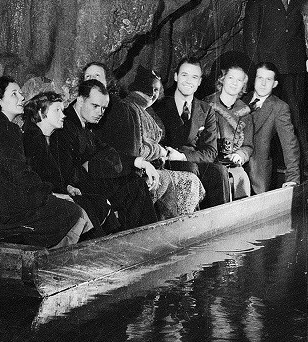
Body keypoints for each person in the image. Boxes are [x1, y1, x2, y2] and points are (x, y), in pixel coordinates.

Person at [0, 77, 90, 248]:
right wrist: (50, 194)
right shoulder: (9, 129)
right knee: (73, 212)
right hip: (6, 215)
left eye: (20, 93)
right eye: (14, 94)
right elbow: (19, 173)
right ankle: (48, 260)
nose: (22, 98)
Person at [242, 0, 308, 174]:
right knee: (262, 116)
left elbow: (307, 31)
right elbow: (250, 34)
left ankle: (303, 163)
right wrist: (254, 69)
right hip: (267, 69)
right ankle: (258, 164)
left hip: (294, 66)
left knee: (295, 114)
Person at [96, 66, 204, 218]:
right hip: (134, 170)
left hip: (148, 164)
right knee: (189, 179)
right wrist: (160, 151)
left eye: (156, 91)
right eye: (149, 89)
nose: (153, 94)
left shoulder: (145, 109)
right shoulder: (130, 108)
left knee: (190, 172)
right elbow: (136, 149)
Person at [57, 79, 159, 229]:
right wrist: (88, 167)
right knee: (133, 187)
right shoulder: (65, 125)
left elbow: (106, 150)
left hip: (87, 182)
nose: (100, 113)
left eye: (103, 108)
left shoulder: (83, 124)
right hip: (77, 188)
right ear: (80, 100)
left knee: (135, 183)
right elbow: (66, 171)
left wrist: (141, 162)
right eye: (95, 106)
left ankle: (146, 236)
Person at [22, 90, 117, 233]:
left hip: (54, 195)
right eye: (57, 111)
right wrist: (59, 193)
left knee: (98, 203)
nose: (63, 115)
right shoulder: (33, 139)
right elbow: (33, 181)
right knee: (89, 207)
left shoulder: (46, 138)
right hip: (38, 204)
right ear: (42, 113)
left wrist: (66, 187)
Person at [150, 58, 229, 207]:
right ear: (176, 77)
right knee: (189, 169)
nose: (188, 81)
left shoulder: (206, 110)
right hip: (167, 162)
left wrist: (183, 156)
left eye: (194, 77)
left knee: (219, 171)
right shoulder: (158, 106)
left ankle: (220, 221)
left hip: (191, 160)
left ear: (199, 81)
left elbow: (211, 152)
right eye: (184, 75)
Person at [246, 61, 300, 194]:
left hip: (257, 176)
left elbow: (290, 144)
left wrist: (293, 178)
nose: (263, 84)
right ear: (254, 80)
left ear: (274, 84)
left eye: (268, 79)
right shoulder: (240, 99)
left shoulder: (279, 107)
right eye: (260, 78)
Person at [204, 61, 255, 200]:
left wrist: (240, 154)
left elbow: (248, 146)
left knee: (242, 179)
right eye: (231, 78)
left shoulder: (245, 113)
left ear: (243, 85)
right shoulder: (206, 105)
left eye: (239, 80)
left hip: (231, 163)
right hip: (208, 162)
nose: (234, 83)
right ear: (222, 79)